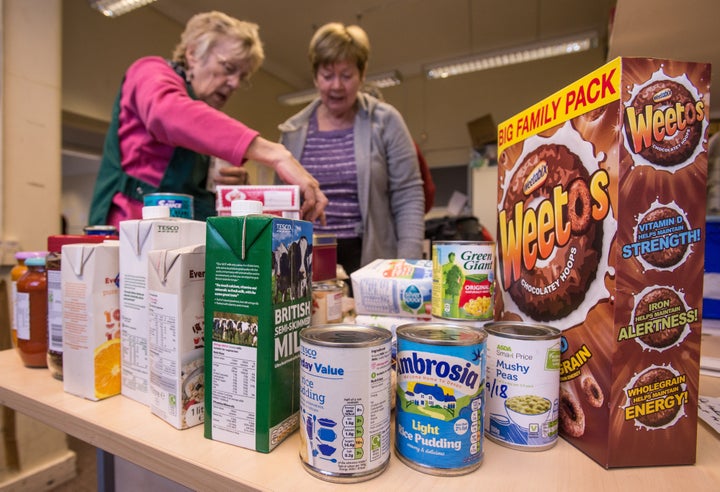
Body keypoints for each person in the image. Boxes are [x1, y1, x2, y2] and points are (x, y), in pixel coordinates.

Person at [88, 11, 327, 227]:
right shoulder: (150, 71)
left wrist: (230, 191)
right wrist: (275, 154)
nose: (234, 83)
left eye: (242, 76)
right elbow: (168, 114)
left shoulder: (201, 115)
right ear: (193, 54)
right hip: (130, 233)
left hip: (180, 236)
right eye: (228, 67)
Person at [278, 22, 425, 277]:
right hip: (306, 257)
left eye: (346, 76)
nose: (337, 85)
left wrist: (408, 266)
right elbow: (280, 203)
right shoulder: (293, 131)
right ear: (315, 76)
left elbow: (408, 194)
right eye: (327, 76)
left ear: (362, 73)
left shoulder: (385, 121)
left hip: (370, 258)